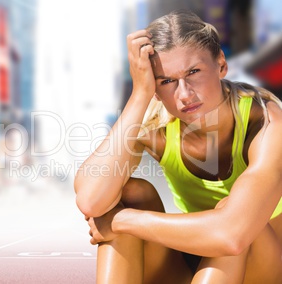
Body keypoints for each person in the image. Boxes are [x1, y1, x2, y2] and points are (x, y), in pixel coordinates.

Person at [74, 10, 282, 283]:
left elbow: (231, 236)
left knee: (229, 212)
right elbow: (91, 201)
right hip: (192, 265)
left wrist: (122, 221)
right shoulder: (157, 127)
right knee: (129, 192)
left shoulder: (266, 122)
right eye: (167, 81)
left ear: (221, 65)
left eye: (193, 72)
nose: (184, 95)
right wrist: (140, 95)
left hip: (263, 268)